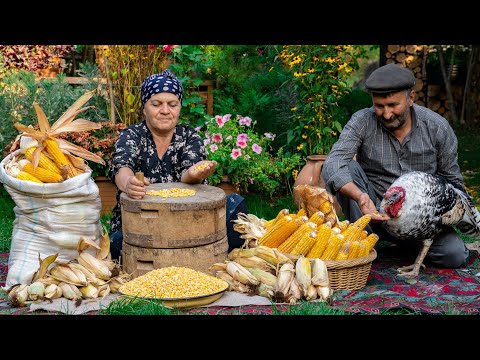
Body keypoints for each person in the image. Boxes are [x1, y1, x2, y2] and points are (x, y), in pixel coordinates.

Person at [321, 63, 469, 268]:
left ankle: (408, 245)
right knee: (348, 169)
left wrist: (439, 217)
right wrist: (361, 197)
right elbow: (333, 163)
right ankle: (364, 244)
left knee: (454, 256)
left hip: (422, 224)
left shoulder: (437, 127)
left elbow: (453, 183)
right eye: (379, 106)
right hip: (373, 215)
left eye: (393, 105)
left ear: (411, 98)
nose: (387, 114)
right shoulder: (362, 121)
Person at [107, 69, 247, 260]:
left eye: (172, 104)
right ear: (144, 107)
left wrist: (195, 173)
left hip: (188, 220)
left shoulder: (189, 137)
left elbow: (187, 175)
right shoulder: (131, 135)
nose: (165, 111)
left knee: (236, 205)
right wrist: (129, 183)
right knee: (118, 243)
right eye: (156, 104)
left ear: (180, 107)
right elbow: (121, 168)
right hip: (144, 223)